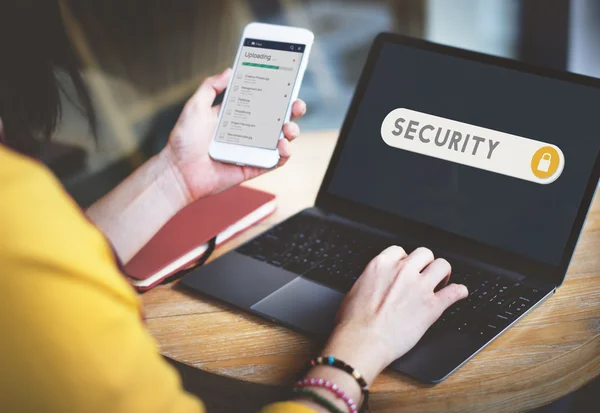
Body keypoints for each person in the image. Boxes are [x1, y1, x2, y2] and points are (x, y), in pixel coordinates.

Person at [0, 2, 468, 412]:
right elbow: (34, 267)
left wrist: (175, 176)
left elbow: (54, 254)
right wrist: (360, 348)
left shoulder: (21, 208)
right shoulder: (17, 219)